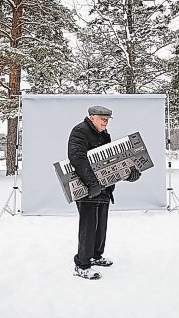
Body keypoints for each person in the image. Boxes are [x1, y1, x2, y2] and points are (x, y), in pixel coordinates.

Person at [68, 105, 141, 280]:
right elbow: (77, 158)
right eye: (103, 119)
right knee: (88, 226)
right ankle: (82, 264)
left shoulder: (104, 135)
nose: (106, 122)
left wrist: (128, 174)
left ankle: (95, 256)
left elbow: (109, 164)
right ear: (92, 117)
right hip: (86, 189)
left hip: (104, 189)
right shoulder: (80, 131)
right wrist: (92, 183)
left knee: (101, 226)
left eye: (107, 119)